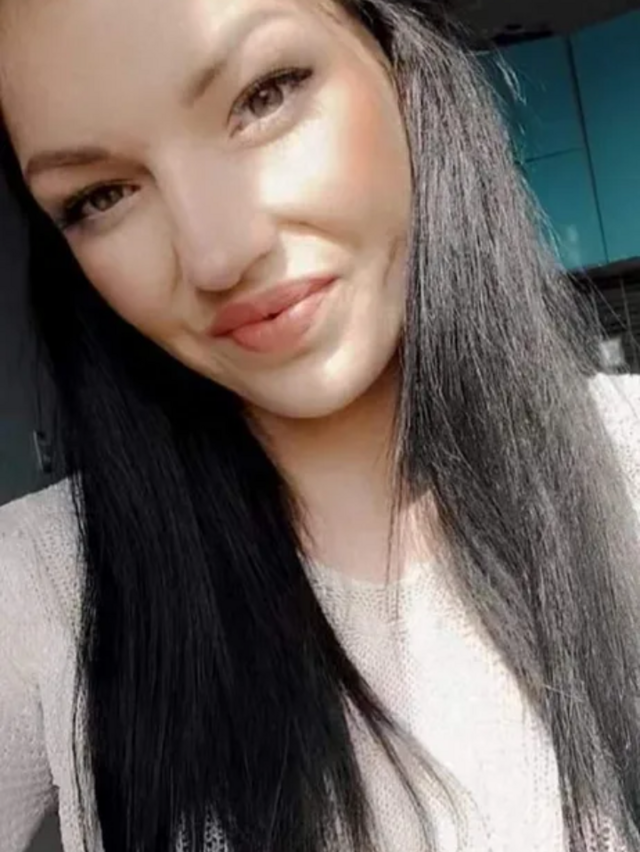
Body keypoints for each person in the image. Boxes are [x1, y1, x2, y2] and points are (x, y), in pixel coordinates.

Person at [1, 0, 640, 850]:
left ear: (398, 62)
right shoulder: (39, 586)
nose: (218, 252)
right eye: (101, 196)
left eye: (264, 94)